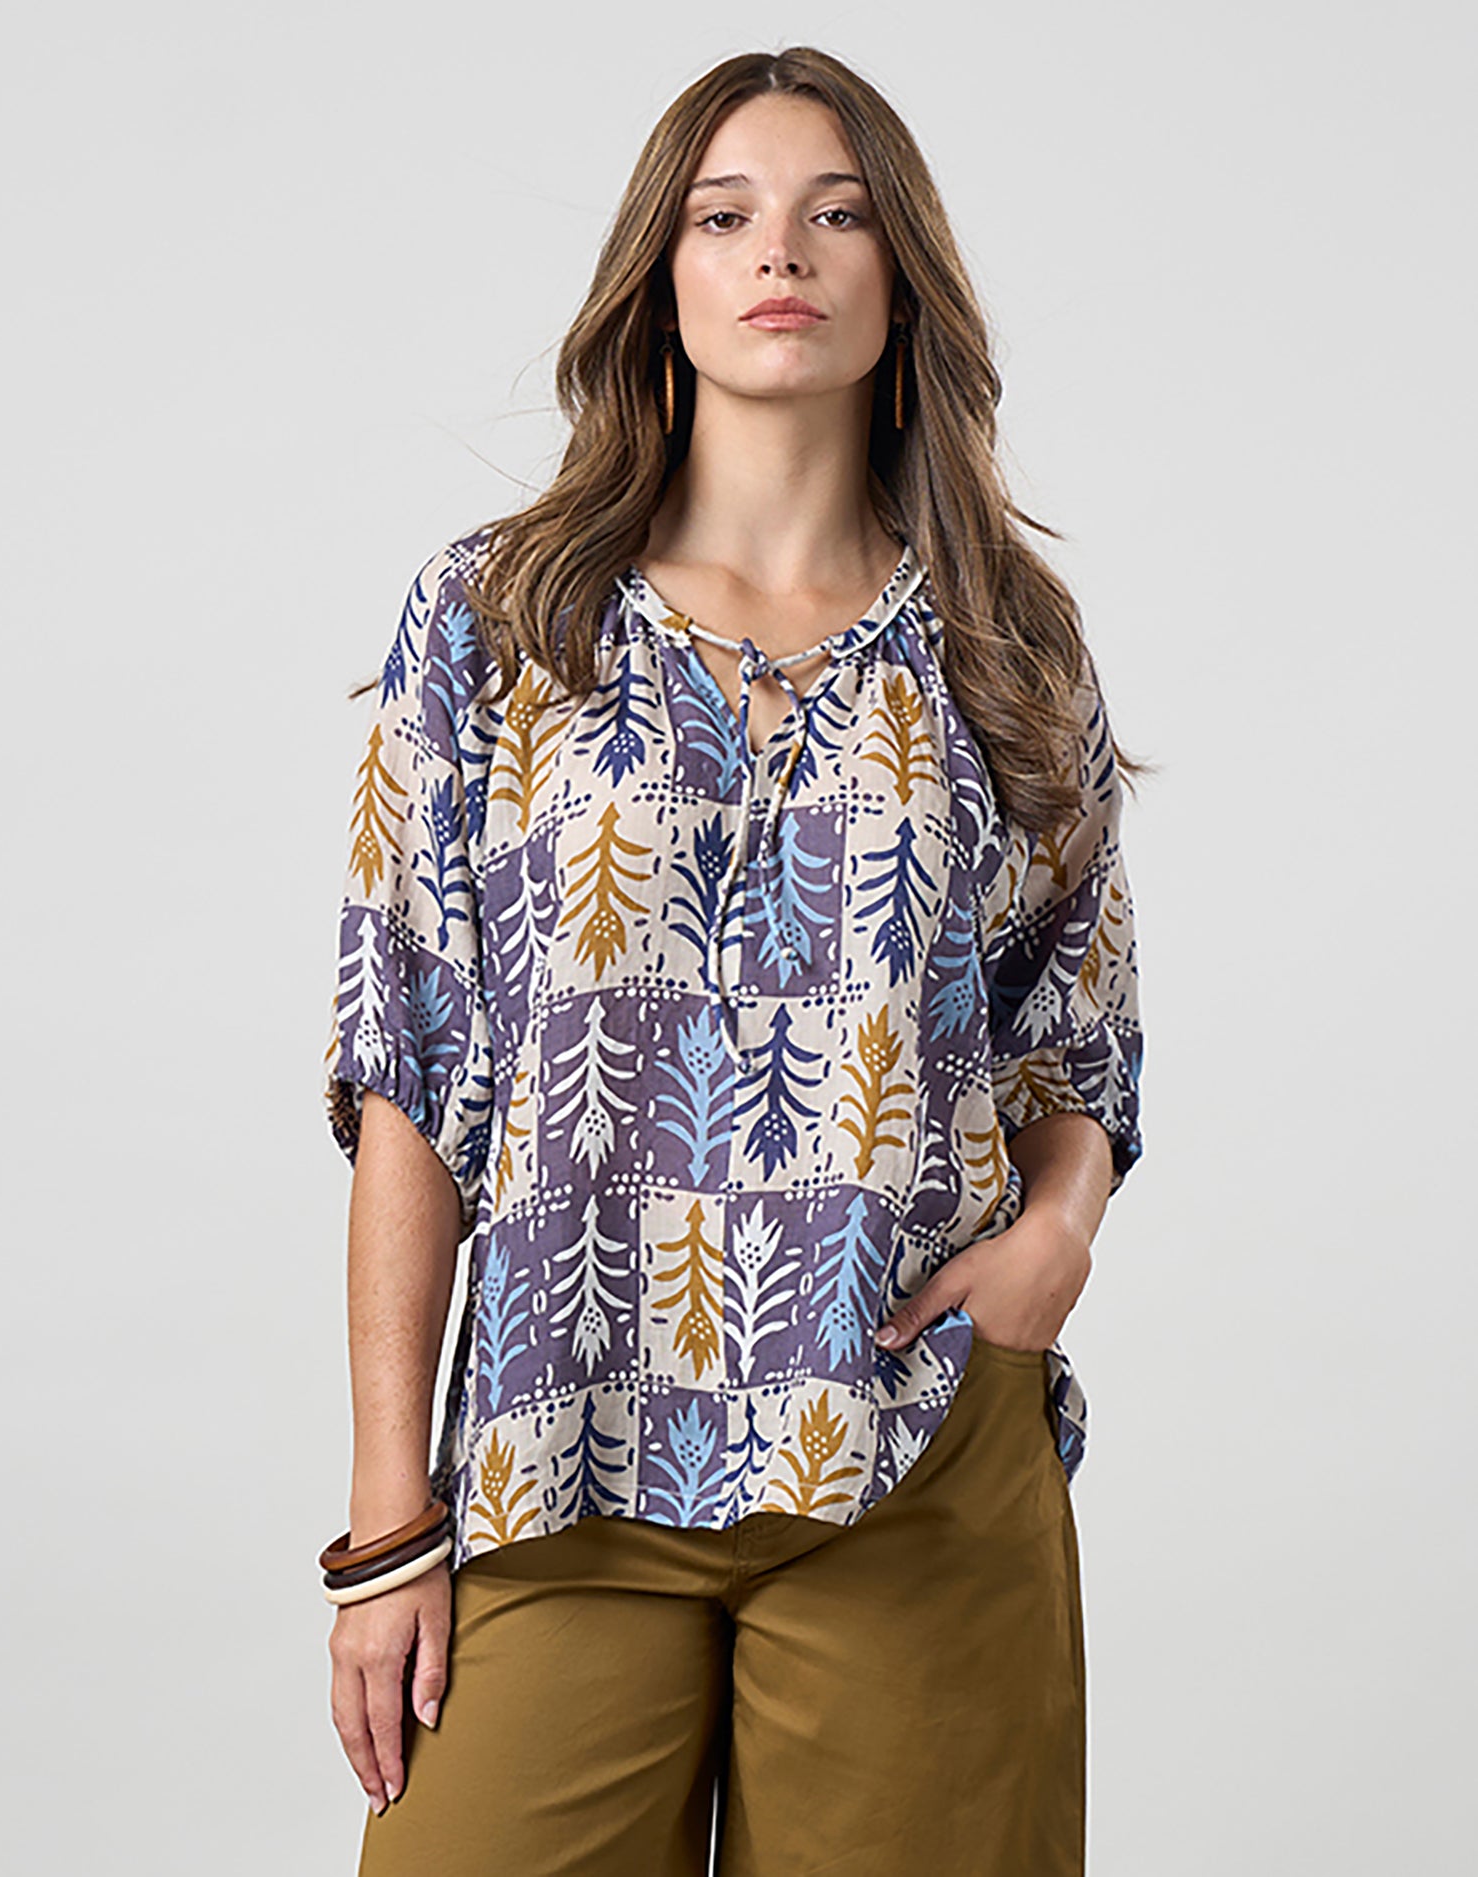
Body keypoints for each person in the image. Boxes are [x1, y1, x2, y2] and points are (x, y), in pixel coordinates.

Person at [319, 44, 1147, 1877]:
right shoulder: (497, 620)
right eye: (727, 215)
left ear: (900, 280)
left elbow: (1079, 1035)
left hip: (914, 1449)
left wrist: (1059, 1237)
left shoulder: (1008, 644)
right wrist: (387, 1525)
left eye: (838, 213)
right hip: (558, 1447)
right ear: (663, 277)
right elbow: (409, 1071)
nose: (783, 250)